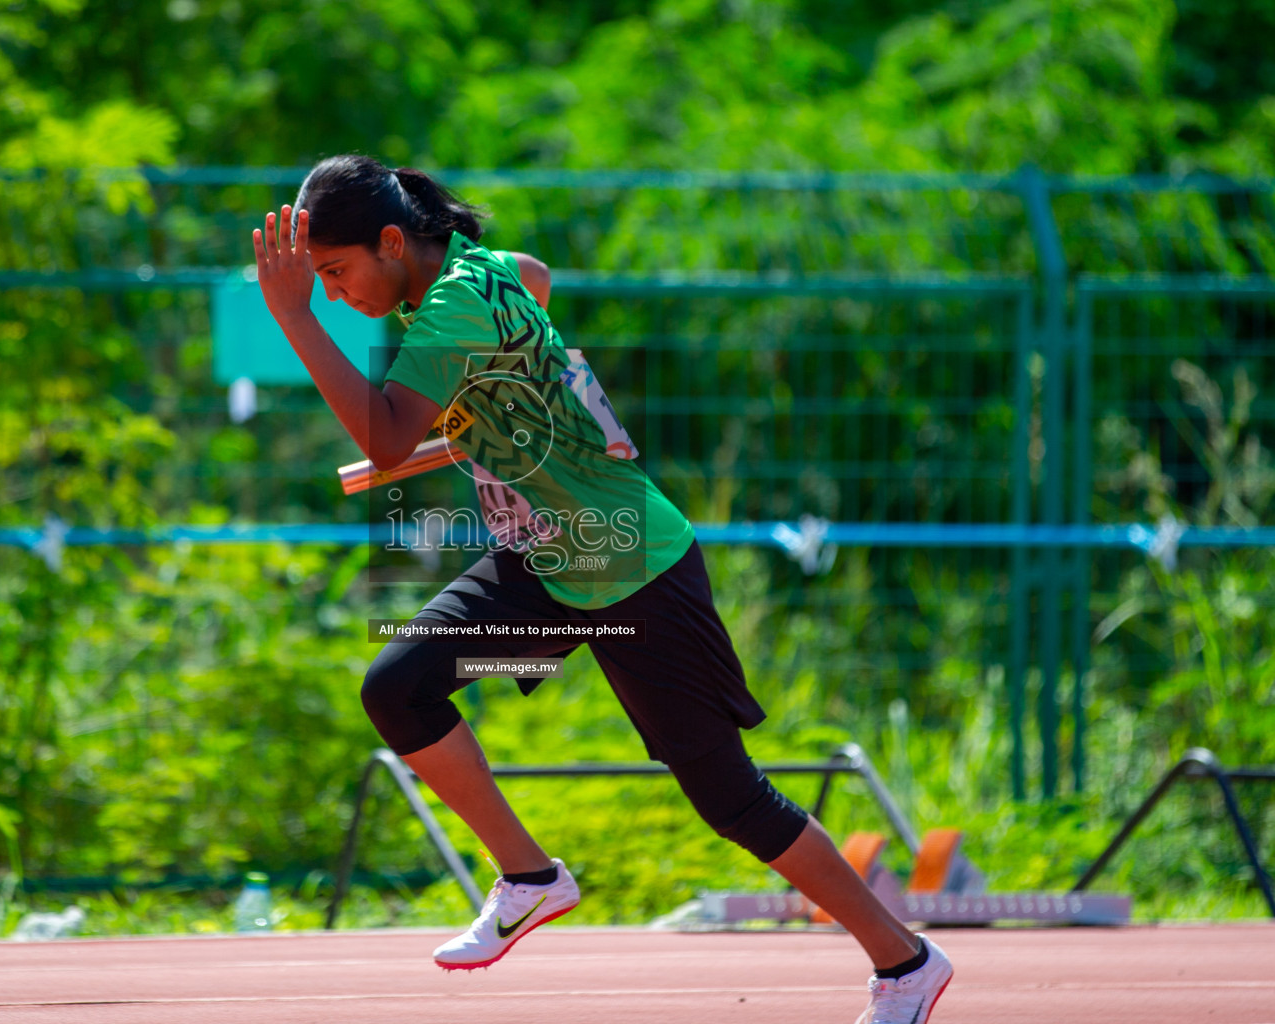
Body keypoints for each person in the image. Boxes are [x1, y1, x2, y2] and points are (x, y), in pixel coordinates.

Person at [253, 154, 953, 1024]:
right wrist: (511, 398)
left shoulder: (454, 306)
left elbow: (388, 441)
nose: (330, 292)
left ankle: (906, 962)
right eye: (316, 282)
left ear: (393, 241)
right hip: (546, 563)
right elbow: (534, 280)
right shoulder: (483, 270)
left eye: (335, 273)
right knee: (397, 687)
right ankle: (529, 877)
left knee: (731, 798)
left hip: (631, 564)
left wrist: (292, 318)